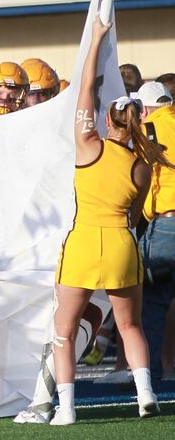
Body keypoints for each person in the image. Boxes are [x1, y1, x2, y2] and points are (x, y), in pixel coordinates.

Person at [50, 18, 170, 425]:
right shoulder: (142, 164)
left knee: (64, 333)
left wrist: (97, 38)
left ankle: (65, 409)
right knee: (131, 325)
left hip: (83, 243)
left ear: (108, 121)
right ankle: (146, 394)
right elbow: (135, 215)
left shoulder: (88, 146)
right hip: (122, 243)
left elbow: (83, 90)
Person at [136, 81, 175, 390]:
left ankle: (148, 376)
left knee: (151, 303)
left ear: (145, 107)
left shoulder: (148, 129)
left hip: (166, 225)